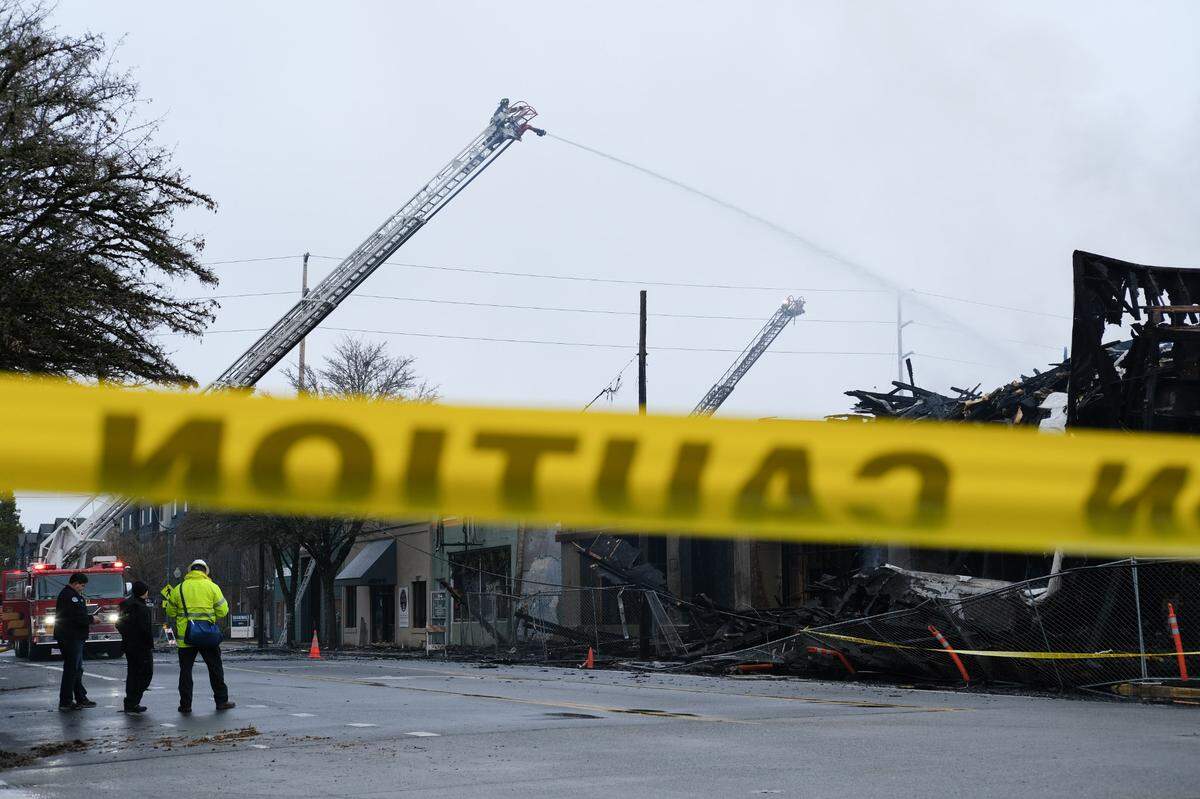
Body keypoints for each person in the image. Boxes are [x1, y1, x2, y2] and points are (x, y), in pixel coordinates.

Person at [163, 559, 235, 714]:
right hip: (208, 637)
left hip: (186, 639)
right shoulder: (212, 587)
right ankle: (221, 701)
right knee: (215, 669)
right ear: (205, 571)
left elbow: (169, 612)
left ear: (190, 571)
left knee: (186, 672)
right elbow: (223, 611)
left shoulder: (179, 588)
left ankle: (185, 705)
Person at [55, 572, 97, 712]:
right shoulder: (70, 596)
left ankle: (80, 697)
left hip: (73, 636)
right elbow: (76, 617)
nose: (82, 588)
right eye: (82, 585)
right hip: (70, 637)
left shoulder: (72, 595)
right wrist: (92, 619)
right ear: (75, 583)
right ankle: (66, 701)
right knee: (71, 670)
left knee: (76, 669)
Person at [116, 580, 154, 713]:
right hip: (142, 646)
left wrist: (127, 635)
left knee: (132, 674)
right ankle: (134, 701)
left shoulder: (125, 605)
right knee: (145, 674)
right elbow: (145, 629)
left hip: (128, 644)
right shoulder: (142, 608)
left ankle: (130, 701)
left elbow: (118, 623)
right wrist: (149, 643)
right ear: (144, 592)